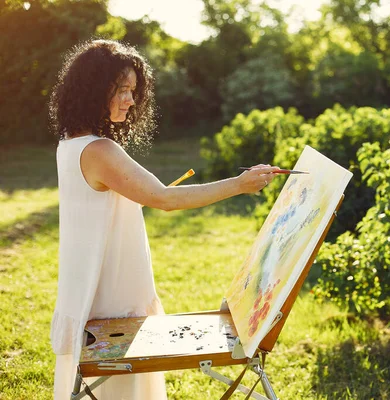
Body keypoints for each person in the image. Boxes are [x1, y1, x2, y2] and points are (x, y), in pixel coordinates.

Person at [48, 39, 278, 399]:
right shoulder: (99, 149)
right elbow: (165, 199)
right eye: (120, 89)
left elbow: (100, 209)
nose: (130, 100)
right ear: (94, 89)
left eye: (133, 90)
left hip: (92, 292)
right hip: (111, 301)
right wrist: (239, 184)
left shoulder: (70, 143)